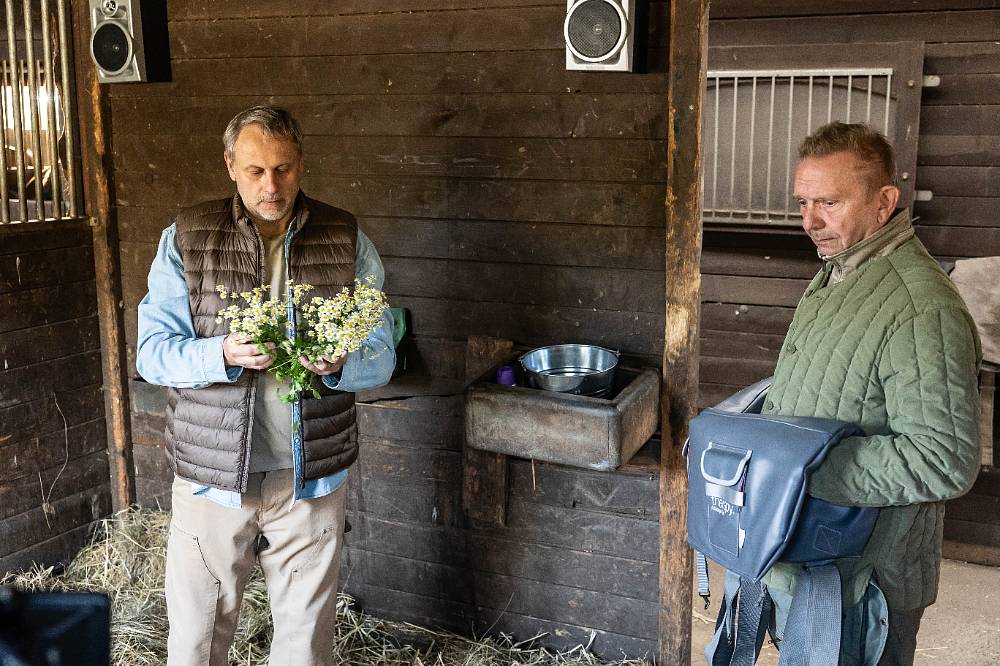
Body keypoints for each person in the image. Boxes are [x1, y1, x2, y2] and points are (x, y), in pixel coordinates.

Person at [136, 105, 395, 666]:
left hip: (310, 481)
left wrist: (343, 364)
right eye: (255, 170)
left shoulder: (346, 239)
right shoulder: (187, 239)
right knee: (195, 644)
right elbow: (152, 354)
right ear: (230, 165)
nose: (270, 185)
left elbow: (382, 357)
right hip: (213, 479)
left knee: (305, 647)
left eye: (283, 168)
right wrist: (221, 354)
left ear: (302, 165)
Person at [758, 122, 982, 665]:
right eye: (803, 202)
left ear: (885, 202)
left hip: (866, 577)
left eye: (829, 202)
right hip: (814, 553)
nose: (809, 221)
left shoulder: (921, 307)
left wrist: (801, 470)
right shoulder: (842, 271)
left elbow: (944, 459)